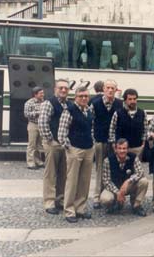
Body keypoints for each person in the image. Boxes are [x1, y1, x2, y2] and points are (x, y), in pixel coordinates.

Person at [58, 86, 95, 223]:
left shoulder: (89, 110)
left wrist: (92, 142)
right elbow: (62, 132)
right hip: (75, 148)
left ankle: (80, 208)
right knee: (72, 181)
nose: (84, 98)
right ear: (75, 98)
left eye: (86, 96)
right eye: (81, 96)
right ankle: (69, 210)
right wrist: (69, 148)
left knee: (84, 181)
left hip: (88, 149)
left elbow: (91, 129)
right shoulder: (69, 111)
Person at [39, 79, 71, 215]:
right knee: (51, 173)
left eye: (65, 88)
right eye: (60, 88)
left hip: (65, 144)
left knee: (64, 173)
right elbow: (42, 123)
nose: (63, 90)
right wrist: (50, 140)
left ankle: (60, 199)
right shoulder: (48, 103)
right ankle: (49, 202)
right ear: (55, 89)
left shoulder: (69, 104)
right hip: (53, 143)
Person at [91, 79, 123, 209]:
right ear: (103, 89)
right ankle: (97, 197)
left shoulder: (120, 104)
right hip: (101, 140)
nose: (110, 90)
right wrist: (94, 138)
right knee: (100, 169)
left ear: (116, 90)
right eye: (108, 88)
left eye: (112, 88)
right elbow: (91, 122)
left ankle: (115, 196)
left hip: (115, 143)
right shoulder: (95, 103)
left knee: (115, 168)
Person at [101, 138, 148, 216]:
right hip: (114, 187)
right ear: (115, 149)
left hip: (128, 186)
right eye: (119, 148)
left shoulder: (133, 157)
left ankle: (136, 205)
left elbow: (140, 172)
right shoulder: (107, 160)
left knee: (144, 181)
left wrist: (128, 181)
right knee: (105, 199)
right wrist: (118, 192)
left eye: (124, 148)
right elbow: (106, 181)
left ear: (127, 149)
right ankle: (114, 204)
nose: (122, 151)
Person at [109, 89, 148, 156]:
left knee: (136, 166)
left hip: (137, 148)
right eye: (130, 99)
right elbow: (112, 130)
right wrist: (113, 144)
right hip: (121, 149)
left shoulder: (142, 113)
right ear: (125, 100)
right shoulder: (118, 113)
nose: (132, 101)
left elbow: (145, 129)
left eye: (134, 99)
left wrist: (143, 144)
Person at [24, 86, 45, 169]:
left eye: (43, 93)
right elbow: (26, 114)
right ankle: (30, 163)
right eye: (41, 93)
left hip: (41, 124)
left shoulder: (43, 102)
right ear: (35, 94)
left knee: (39, 145)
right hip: (33, 124)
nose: (43, 95)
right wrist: (38, 113)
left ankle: (38, 161)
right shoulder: (29, 103)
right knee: (32, 144)